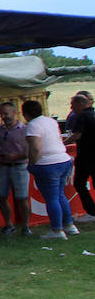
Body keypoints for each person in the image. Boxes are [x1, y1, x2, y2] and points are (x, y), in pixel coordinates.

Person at [23, 100, 76, 239]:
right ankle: (69, 225)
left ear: (26, 114)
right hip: (63, 159)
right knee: (60, 195)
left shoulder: (32, 125)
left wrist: (32, 163)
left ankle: (57, 230)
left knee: (51, 198)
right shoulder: (51, 121)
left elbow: (35, 148)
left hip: (47, 163)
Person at [0, 102, 31, 235]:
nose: (4, 116)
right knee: (1, 196)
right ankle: (8, 224)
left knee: (22, 197)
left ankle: (26, 226)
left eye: (7, 113)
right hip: (4, 166)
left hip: (20, 166)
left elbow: (28, 151)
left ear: (14, 113)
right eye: (2, 114)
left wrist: (16, 156)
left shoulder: (24, 130)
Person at [64, 92, 95, 221]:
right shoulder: (93, 114)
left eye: (73, 105)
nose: (71, 109)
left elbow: (77, 135)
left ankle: (91, 212)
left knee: (79, 183)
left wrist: (62, 144)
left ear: (80, 104)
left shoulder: (82, 116)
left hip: (86, 156)